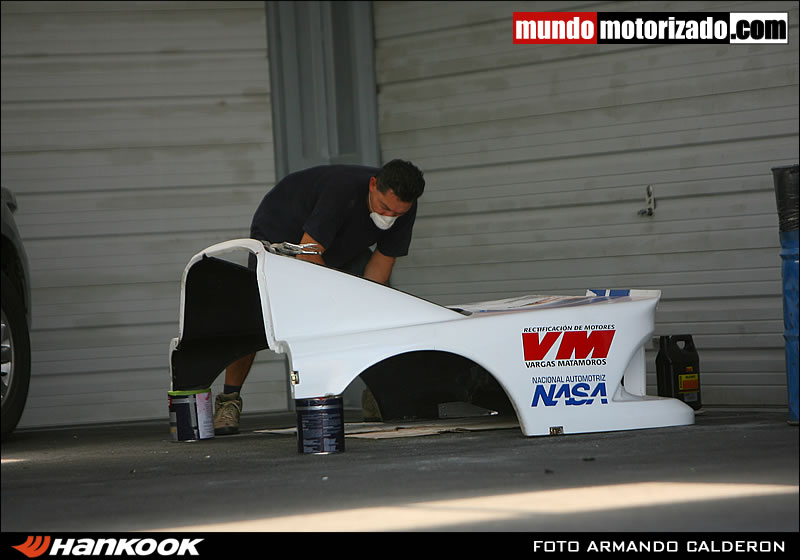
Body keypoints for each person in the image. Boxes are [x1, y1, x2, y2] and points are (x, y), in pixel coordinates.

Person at [213, 159, 426, 434]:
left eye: (397, 213)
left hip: (336, 244)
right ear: (373, 185)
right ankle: (229, 400)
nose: (389, 217)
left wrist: (364, 305)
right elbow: (307, 254)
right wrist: (334, 301)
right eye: (384, 208)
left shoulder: (404, 207)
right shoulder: (341, 189)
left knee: (376, 308)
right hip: (283, 237)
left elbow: (380, 270)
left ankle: (378, 392)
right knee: (256, 317)